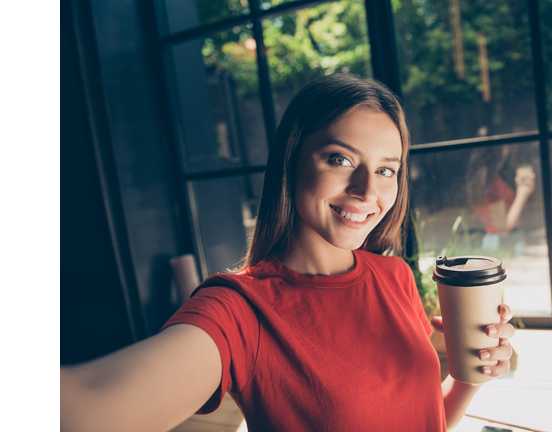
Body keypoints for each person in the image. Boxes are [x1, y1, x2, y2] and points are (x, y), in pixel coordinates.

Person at [61, 74, 516, 432]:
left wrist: (469, 375)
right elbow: (85, 408)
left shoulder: (394, 276)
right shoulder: (239, 311)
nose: (367, 190)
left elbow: (428, 420)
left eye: (385, 169)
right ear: (292, 159)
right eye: (340, 159)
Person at [466, 145, 536, 253]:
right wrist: (523, 193)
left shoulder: (476, 178)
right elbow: (503, 229)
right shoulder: (492, 183)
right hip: (506, 241)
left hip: (491, 239)